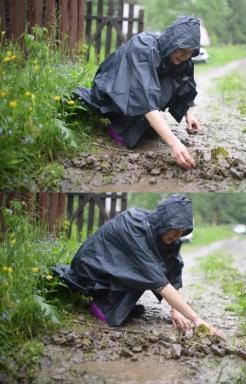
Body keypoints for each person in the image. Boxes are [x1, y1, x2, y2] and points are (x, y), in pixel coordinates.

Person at [54, 194, 221, 336]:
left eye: (183, 232)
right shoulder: (133, 226)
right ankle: (101, 305)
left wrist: (175, 310)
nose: (178, 235)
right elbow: (158, 281)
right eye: (176, 229)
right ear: (165, 221)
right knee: (143, 274)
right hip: (92, 269)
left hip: (115, 269)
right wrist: (197, 320)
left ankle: (116, 305)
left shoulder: (169, 238)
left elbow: (172, 269)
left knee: (146, 272)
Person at [74, 16, 202, 170]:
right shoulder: (144, 48)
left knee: (171, 82)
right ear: (172, 40)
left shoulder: (182, 60)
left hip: (139, 98)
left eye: (190, 52)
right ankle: (119, 127)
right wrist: (175, 143)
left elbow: (185, 88)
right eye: (182, 49)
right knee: (131, 136)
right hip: (114, 91)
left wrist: (189, 115)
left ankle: (140, 124)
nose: (185, 55)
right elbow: (145, 97)